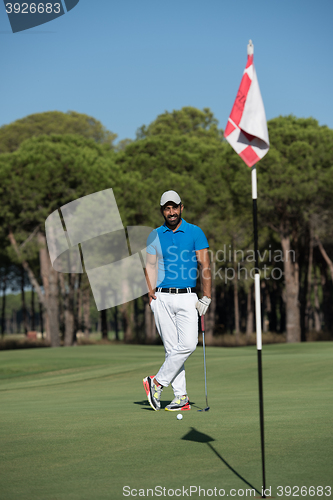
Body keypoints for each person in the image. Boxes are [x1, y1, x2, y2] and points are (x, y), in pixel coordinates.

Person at [143, 190, 212, 411]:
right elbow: (150, 265)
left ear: (182, 208)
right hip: (161, 297)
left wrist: (207, 296)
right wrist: (150, 292)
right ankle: (181, 397)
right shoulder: (155, 234)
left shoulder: (195, 232)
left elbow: (206, 266)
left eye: (174, 207)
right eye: (167, 208)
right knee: (172, 349)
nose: (171, 212)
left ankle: (156, 382)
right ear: (162, 210)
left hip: (187, 297)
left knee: (189, 344)